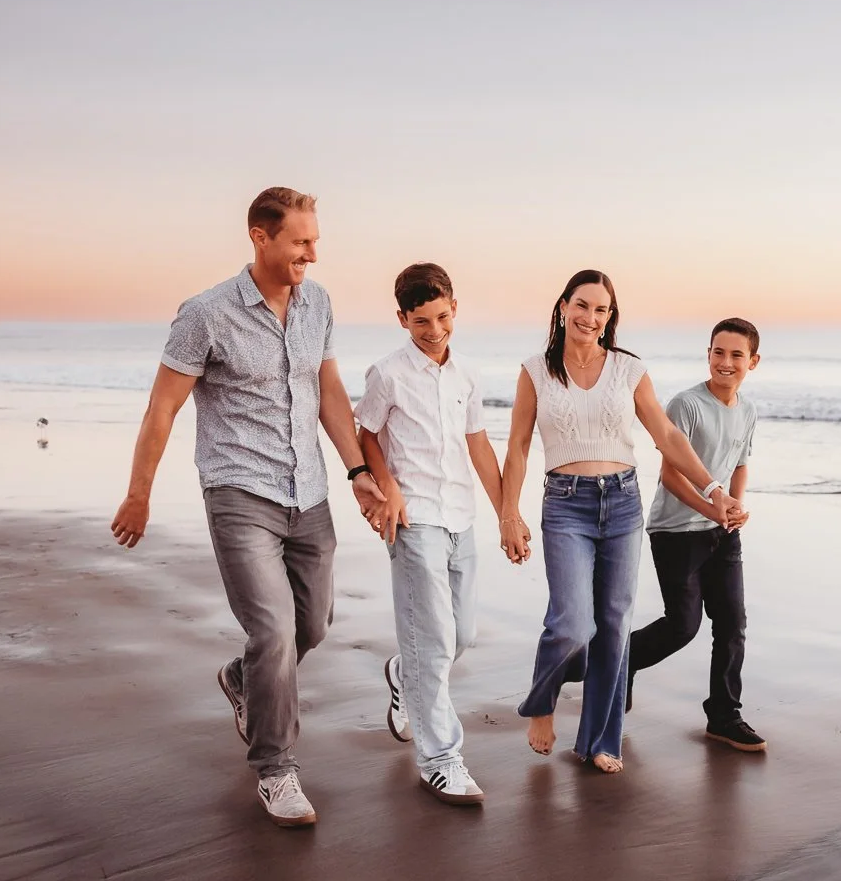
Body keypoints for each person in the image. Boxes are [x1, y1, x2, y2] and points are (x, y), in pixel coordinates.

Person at [108, 187, 384, 828]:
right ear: (260, 238)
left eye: (315, 240)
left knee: (311, 625)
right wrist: (138, 493)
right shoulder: (205, 314)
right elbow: (162, 409)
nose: (312, 254)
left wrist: (358, 471)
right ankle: (277, 770)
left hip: (308, 489)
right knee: (275, 630)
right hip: (239, 490)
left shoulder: (318, 303)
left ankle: (241, 677)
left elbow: (330, 390)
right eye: (301, 242)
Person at [500, 270, 733, 774]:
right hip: (565, 503)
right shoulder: (536, 369)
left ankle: (601, 740)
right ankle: (541, 704)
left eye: (602, 310)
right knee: (571, 623)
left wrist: (713, 487)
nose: (590, 318)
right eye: (582, 306)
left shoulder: (629, 369)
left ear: (611, 316)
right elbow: (518, 447)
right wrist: (508, 512)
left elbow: (667, 436)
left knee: (614, 625)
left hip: (623, 502)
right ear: (563, 306)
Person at [353, 263, 524, 806]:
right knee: (434, 642)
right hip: (413, 519)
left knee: (461, 635)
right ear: (402, 318)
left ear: (456, 308)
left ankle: (404, 672)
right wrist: (388, 488)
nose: (434, 330)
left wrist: (507, 514)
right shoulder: (387, 374)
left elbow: (478, 445)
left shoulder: (468, 375)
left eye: (443, 317)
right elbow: (366, 435)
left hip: (461, 517)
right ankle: (440, 760)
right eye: (421, 320)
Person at [628, 317, 767, 752]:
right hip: (675, 531)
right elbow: (670, 475)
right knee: (681, 626)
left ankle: (724, 716)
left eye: (736, 355)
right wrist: (715, 507)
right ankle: (615, 664)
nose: (725, 363)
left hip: (721, 530)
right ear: (708, 354)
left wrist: (735, 507)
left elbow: (740, 462)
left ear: (753, 361)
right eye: (718, 352)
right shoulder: (685, 405)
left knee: (732, 623)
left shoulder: (747, 410)